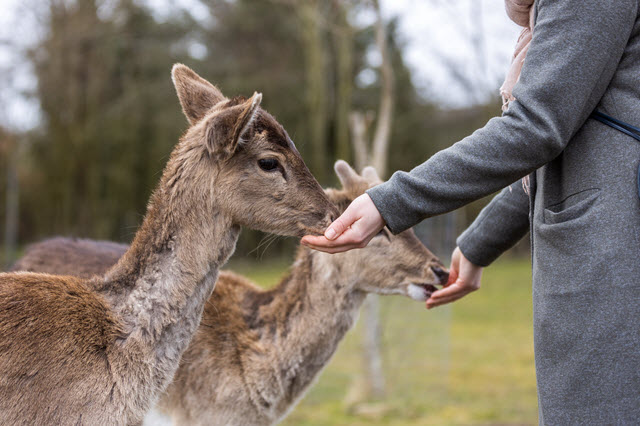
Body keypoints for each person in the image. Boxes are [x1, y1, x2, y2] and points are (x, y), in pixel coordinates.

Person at [302, 0, 640, 424]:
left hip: (618, 254)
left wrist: (390, 200)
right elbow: (582, 137)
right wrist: (481, 242)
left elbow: (537, 127)